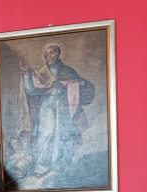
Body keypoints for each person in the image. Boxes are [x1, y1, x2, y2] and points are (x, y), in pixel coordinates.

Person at [19, 44, 94, 175]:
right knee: (47, 133)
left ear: (58, 53)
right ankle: (42, 165)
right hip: (48, 104)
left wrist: (66, 84)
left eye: (52, 52)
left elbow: (80, 83)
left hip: (65, 104)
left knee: (64, 133)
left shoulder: (67, 71)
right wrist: (26, 74)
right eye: (47, 54)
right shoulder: (41, 73)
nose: (50, 56)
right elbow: (31, 90)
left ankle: (62, 164)